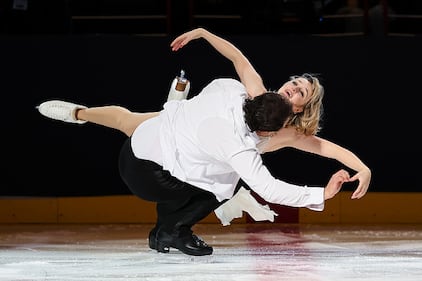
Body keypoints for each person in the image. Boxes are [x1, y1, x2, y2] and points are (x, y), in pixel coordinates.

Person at [37, 27, 370, 256]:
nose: (291, 87)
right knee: (223, 179)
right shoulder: (253, 94)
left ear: (301, 108)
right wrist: (205, 34)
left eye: (300, 91)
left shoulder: (284, 128)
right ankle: (78, 113)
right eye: (294, 82)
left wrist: (362, 168)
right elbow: (239, 59)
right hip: (182, 153)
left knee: (164, 139)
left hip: (186, 147)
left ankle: (171, 112)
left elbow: (323, 146)